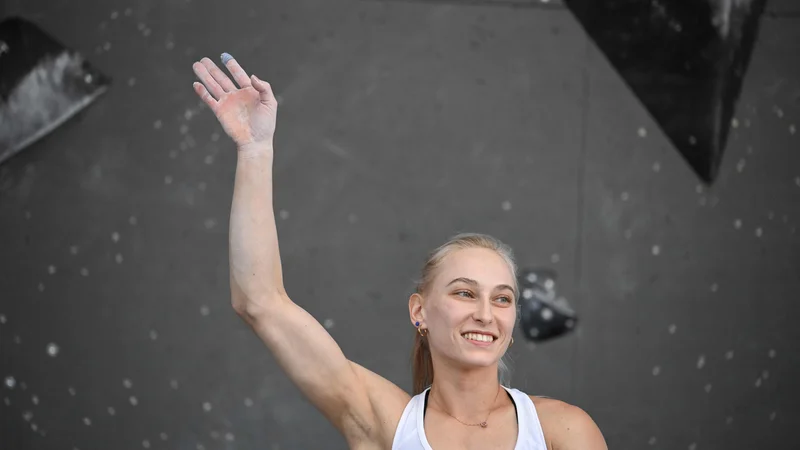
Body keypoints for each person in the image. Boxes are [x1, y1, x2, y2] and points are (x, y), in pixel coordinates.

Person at [191, 52, 608, 450]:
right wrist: (255, 150)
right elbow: (259, 301)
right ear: (419, 311)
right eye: (464, 292)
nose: (485, 313)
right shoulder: (384, 423)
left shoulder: (563, 430)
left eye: (502, 298)